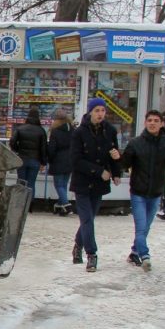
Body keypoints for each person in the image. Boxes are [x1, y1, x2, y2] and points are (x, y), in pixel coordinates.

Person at [118, 110, 165, 272]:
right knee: (140, 227)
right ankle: (144, 256)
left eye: (156, 120)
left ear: (161, 124)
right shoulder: (136, 143)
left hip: (155, 192)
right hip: (138, 191)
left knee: (146, 227)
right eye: (150, 120)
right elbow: (124, 163)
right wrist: (118, 159)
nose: (152, 123)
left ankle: (134, 253)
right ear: (145, 123)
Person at [70, 97, 121, 273]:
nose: (100, 114)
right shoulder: (79, 132)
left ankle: (78, 244)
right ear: (90, 112)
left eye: (103, 110)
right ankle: (92, 254)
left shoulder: (110, 131)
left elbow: (113, 152)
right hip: (83, 182)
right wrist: (99, 171)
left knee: (89, 218)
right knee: (86, 219)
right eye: (97, 110)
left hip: (100, 183)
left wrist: (116, 172)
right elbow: (75, 160)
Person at [9, 106, 47, 196]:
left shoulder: (20, 128)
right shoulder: (41, 131)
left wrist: (17, 150)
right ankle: (29, 204)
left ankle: (19, 203)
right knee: (31, 183)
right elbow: (43, 148)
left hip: (22, 158)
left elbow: (12, 142)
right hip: (35, 160)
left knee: (21, 182)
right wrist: (43, 162)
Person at [46, 108, 74, 215]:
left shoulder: (55, 131)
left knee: (58, 185)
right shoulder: (72, 130)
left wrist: (50, 158)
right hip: (70, 161)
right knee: (64, 185)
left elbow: (52, 148)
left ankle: (67, 205)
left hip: (58, 161)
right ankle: (59, 205)